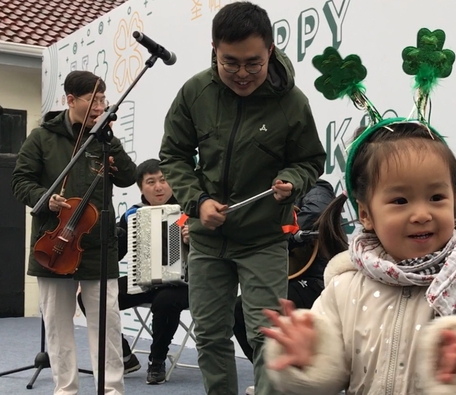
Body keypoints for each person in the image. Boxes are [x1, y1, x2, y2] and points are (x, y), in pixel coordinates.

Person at [260, 121, 456, 395]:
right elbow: (333, 374)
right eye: (400, 201)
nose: (422, 214)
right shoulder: (344, 288)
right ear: (366, 215)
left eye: (436, 197)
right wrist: (311, 357)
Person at [158, 2, 326, 395]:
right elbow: (173, 156)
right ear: (214, 48)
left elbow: (310, 161)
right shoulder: (195, 92)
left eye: (253, 62)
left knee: (267, 338)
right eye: (229, 62)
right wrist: (196, 201)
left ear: (270, 49)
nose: (242, 74)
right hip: (206, 240)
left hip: (263, 238)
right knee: (211, 337)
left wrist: (292, 180)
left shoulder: (292, 102)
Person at [11, 70, 137, 395]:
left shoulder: (103, 139)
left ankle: (111, 390)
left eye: (102, 98)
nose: (100, 105)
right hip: (53, 245)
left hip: (98, 245)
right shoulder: (41, 138)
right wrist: (44, 198)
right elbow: (20, 180)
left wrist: (110, 138)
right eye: (93, 99)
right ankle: (65, 389)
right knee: (57, 324)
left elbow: (127, 177)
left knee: (107, 325)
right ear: (71, 100)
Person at [77, 158, 189, 385]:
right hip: (143, 281)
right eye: (151, 182)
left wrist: (195, 240)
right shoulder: (132, 215)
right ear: (141, 188)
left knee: (166, 301)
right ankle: (125, 355)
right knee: (91, 297)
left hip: (186, 284)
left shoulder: (189, 210)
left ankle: (157, 361)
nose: (158, 187)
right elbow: (116, 254)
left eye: (163, 180)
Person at [233, 179, 334, 394]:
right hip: (281, 278)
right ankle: (272, 377)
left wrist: (269, 233)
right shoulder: (263, 194)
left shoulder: (318, 188)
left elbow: (314, 216)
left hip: (315, 281)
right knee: (239, 311)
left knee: (265, 308)